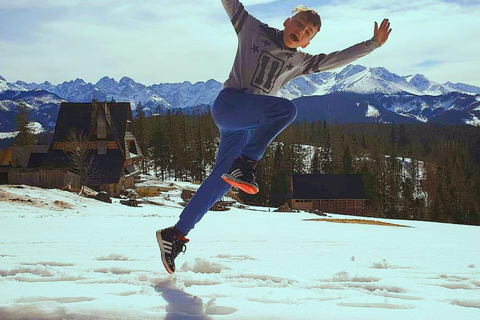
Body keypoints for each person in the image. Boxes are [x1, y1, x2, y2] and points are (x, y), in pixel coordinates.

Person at [157, 0, 392, 274]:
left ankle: (175, 233)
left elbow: (335, 59)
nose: (301, 32)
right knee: (285, 109)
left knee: (221, 182)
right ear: (286, 23)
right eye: (299, 25)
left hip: (244, 125)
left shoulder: (302, 62)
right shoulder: (252, 29)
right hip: (230, 105)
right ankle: (247, 163)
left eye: (308, 33)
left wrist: (372, 44)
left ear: (307, 43)